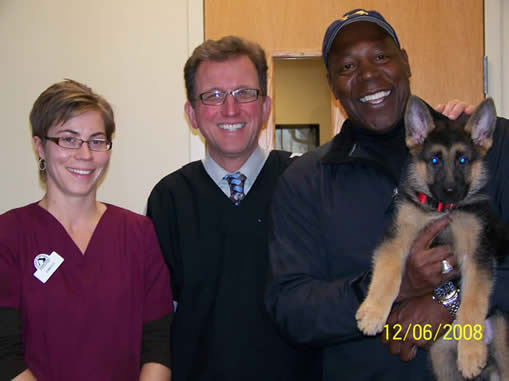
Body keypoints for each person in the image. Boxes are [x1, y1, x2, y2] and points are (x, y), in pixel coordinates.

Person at [265, 8, 509, 380]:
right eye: (347, 67)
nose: (367, 76)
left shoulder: (490, 146)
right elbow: (293, 309)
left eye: (380, 57)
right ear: (331, 84)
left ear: (405, 61)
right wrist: (393, 287)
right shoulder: (304, 181)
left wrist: (448, 300)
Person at [146, 36, 312, 381]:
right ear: (192, 113)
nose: (231, 109)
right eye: (214, 96)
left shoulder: (305, 183)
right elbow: (157, 321)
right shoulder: (168, 199)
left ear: (265, 107)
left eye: (244, 93)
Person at [0, 79, 173, 381]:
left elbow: (158, 346)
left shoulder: (138, 233)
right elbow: (5, 354)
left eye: (96, 140)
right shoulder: (10, 235)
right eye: (68, 139)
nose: (85, 154)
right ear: (40, 146)